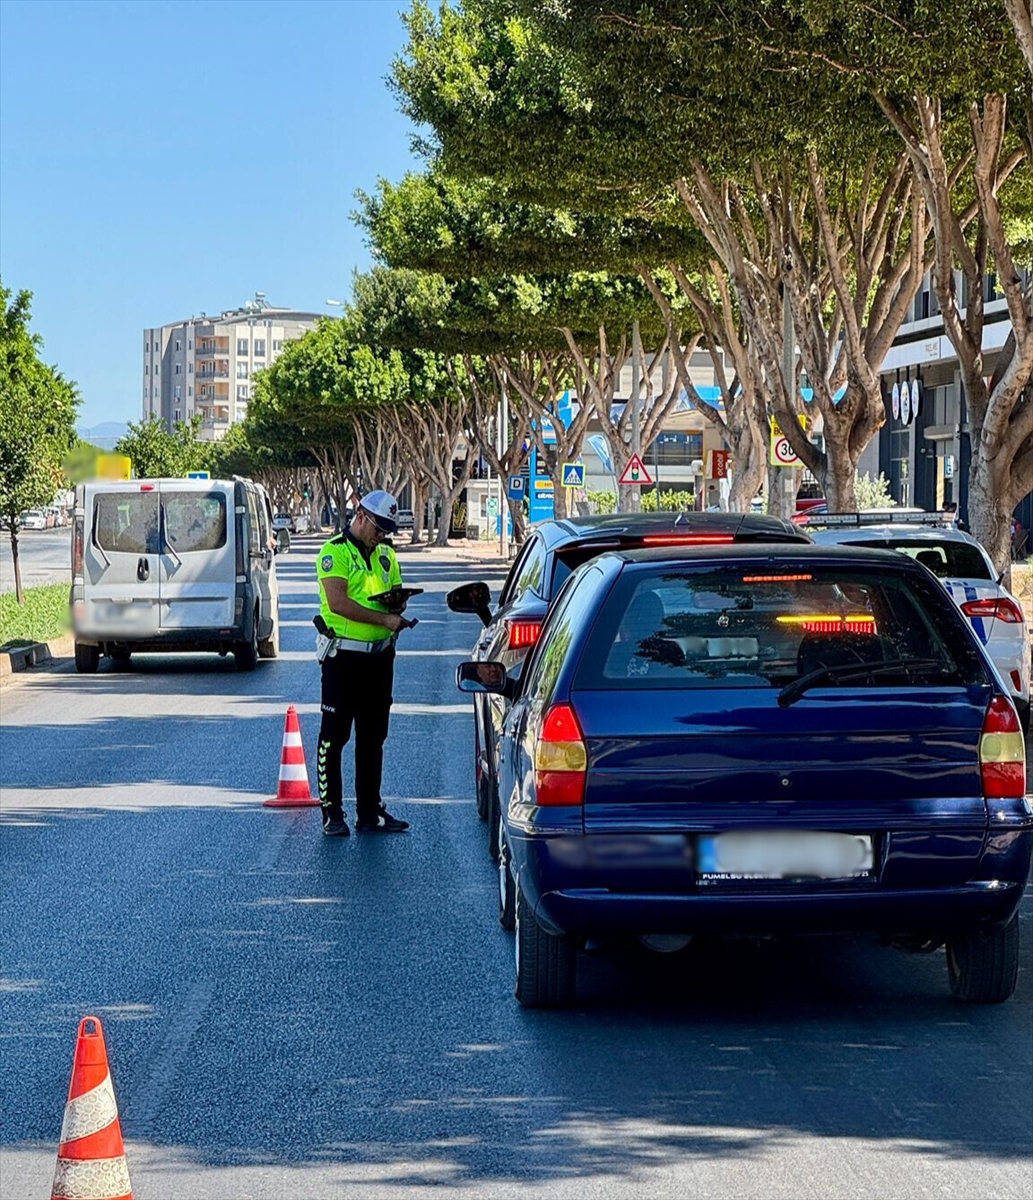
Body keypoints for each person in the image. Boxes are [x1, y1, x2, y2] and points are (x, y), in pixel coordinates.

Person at [315, 490, 415, 837]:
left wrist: (397, 607)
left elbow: (395, 592)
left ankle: (369, 811)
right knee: (335, 734)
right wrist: (382, 620)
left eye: (387, 531)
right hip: (344, 658)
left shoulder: (387, 555)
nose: (382, 536)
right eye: (378, 528)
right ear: (360, 516)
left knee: (373, 736)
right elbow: (338, 602)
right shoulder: (334, 553)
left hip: (380, 658)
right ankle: (332, 812)